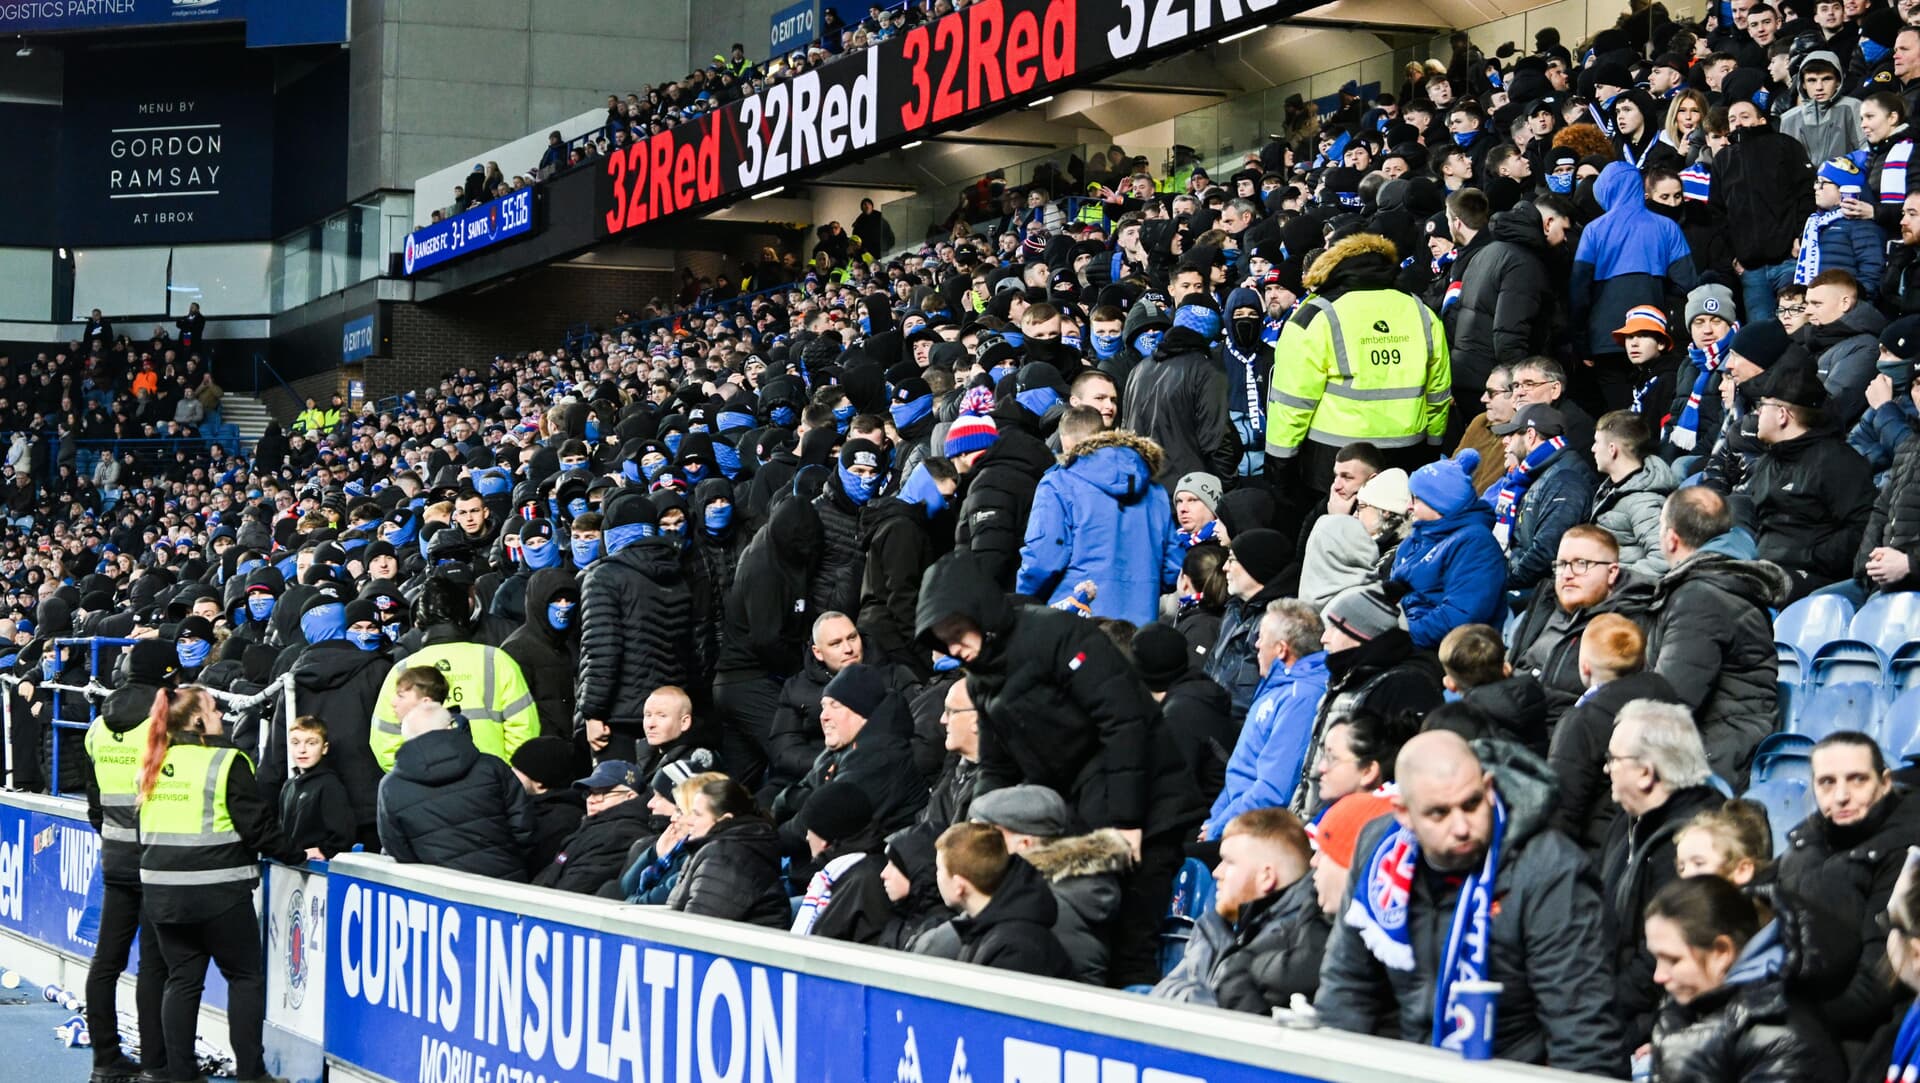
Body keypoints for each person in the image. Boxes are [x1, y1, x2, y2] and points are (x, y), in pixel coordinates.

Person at [917, 549, 1203, 988]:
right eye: (943, 639)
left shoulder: (1054, 634)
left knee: (1132, 942)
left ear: (981, 613)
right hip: (1079, 811)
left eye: (957, 632)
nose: (953, 647)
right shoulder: (982, 678)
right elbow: (997, 764)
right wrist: (980, 827)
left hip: (1149, 806)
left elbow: (1124, 721)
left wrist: (1126, 824)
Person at [1315, 731, 1624, 1074]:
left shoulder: (1549, 868)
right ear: (1403, 812)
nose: (1461, 827)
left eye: (1472, 804)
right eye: (1438, 813)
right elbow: (1347, 987)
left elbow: (1581, 1028)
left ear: (1488, 788)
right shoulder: (1378, 851)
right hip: (1405, 1065)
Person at [135, 684, 305, 1083]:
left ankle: (181, 1073)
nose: (221, 717)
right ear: (197, 721)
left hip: (162, 895)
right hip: (218, 892)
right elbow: (257, 828)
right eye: (213, 710)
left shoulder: (154, 762)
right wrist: (298, 853)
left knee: (182, 981)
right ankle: (251, 1073)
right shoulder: (228, 761)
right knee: (244, 978)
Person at [1265, 233, 1452, 497]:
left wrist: (1280, 467)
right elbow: (1439, 393)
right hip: (1408, 455)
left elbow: (1291, 404)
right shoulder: (1421, 312)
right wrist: (1431, 447)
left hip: (1332, 461)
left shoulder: (1315, 315)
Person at [1777, 732, 1920, 1043]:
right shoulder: (1803, 843)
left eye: (1857, 780)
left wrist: (1785, 1019)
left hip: (1864, 1039)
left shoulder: (1905, 852)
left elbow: (1879, 983)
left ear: (1884, 783)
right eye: (1827, 782)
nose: (1841, 796)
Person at [1601, 699, 1728, 1047]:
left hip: (1645, 1021)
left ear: (1646, 772)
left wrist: (1598, 1007)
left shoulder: (1688, 843)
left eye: (1613, 759)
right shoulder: (1627, 824)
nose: (1606, 769)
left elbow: (1659, 962)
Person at [81, 640, 178, 1083]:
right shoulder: (165, 723)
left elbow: (94, 801)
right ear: (168, 674)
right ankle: (156, 1066)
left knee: (106, 962)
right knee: (153, 967)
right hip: (156, 857)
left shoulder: (99, 725)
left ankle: (105, 1060)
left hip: (114, 855)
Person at [1645, 487, 1789, 785]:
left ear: (1671, 538)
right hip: (1727, 740)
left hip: (1720, 754)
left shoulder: (1700, 597)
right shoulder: (1719, 582)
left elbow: (1672, 700)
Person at [1644, 876, 1845, 1082]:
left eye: (1673, 960)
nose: (1659, 976)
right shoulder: (1689, 1012)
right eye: (1656, 958)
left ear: (1721, 952)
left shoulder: (1781, 1037)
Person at [1152, 807, 1329, 1013]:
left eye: (1229, 862)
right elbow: (1163, 994)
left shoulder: (1295, 939)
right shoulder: (1215, 924)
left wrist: (1199, 995)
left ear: (1266, 877)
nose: (1217, 872)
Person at [1739, 352, 1876, 599]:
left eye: (1763, 406)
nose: (1757, 413)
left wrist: (1809, 556)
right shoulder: (1767, 463)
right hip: (1767, 570)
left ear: (1782, 414)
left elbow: (1862, 528)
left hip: (1815, 581)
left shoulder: (1838, 462)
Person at [966, 785, 1134, 985]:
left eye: (986, 838)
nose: (972, 847)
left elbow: (940, 945)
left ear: (1024, 844)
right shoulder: (1065, 888)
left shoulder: (1038, 901)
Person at [370, 576, 537, 771]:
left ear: (420, 620)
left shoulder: (402, 670)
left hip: (429, 794)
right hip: (491, 788)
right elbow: (525, 729)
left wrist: (418, 780)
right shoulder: (496, 660)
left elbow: (385, 743)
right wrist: (504, 777)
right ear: (465, 614)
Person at [1016, 429, 1181, 625]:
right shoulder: (1156, 494)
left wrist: (1023, 600)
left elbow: (1043, 558)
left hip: (1074, 621)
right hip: (1140, 625)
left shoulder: (1059, 483)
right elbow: (1173, 568)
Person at [577, 490, 694, 760]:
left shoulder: (603, 576)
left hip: (619, 717)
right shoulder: (675, 574)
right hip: (667, 716)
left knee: (620, 797)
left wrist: (593, 713)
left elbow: (602, 650)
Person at [1204, 600, 1328, 838]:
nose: (1256, 645)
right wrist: (1215, 819)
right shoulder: (1277, 686)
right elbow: (1240, 772)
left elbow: (1274, 788)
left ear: (1282, 649)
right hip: (1233, 822)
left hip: (1257, 831)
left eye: (1261, 637)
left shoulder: (1301, 697)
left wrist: (1219, 828)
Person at [1507, 525, 1656, 715]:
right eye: (1561, 564)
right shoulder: (1546, 601)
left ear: (1612, 572)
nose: (1567, 574)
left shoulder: (1630, 621)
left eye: (1581, 563)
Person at [377, 701, 534, 880]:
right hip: (505, 884)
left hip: (436, 894)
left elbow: (397, 849)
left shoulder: (391, 787)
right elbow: (523, 826)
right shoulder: (491, 767)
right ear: (451, 726)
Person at [1388, 451, 1507, 649]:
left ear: (1439, 504)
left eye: (1416, 498)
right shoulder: (1418, 538)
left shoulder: (1476, 544)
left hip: (1448, 653)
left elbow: (1460, 616)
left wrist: (1399, 638)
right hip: (1406, 633)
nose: (1409, 506)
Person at [926, 821, 1072, 977]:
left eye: (939, 869)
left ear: (959, 886)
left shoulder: (1015, 951)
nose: (936, 876)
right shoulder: (983, 928)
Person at [1490, 403, 1599, 591]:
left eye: (1513, 434)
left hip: (1543, 591)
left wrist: (1500, 584)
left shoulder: (1566, 480)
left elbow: (1545, 553)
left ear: (1530, 436)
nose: (1505, 441)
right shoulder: (1539, 473)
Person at [661, 772, 792, 926]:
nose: (688, 821)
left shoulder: (726, 857)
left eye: (697, 815)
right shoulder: (720, 848)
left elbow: (698, 929)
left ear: (724, 820)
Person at [1204, 528, 1295, 721]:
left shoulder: (1279, 622)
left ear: (1256, 566)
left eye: (1232, 560)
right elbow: (1211, 667)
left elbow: (1256, 697)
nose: (1224, 568)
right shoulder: (1233, 610)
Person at [533, 759, 658, 895]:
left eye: (603, 793)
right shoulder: (593, 826)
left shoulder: (620, 835)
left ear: (630, 796)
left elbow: (575, 888)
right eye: (590, 793)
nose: (591, 800)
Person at [279, 716, 356, 859]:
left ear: (324, 748)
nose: (302, 750)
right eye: (295, 743)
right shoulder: (288, 785)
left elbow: (343, 835)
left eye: (311, 743)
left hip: (317, 871)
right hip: (292, 868)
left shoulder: (329, 785)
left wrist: (323, 851)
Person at [509, 735, 586, 874]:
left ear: (539, 779)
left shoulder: (562, 821)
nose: (511, 775)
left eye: (517, 770)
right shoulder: (530, 807)